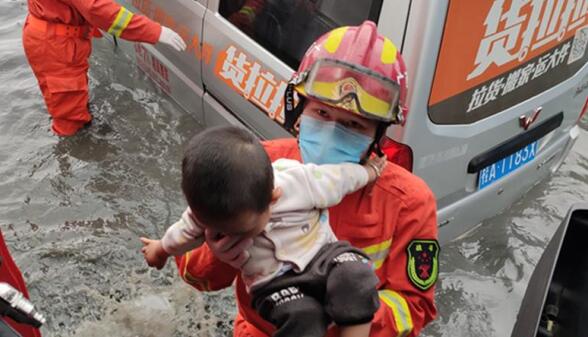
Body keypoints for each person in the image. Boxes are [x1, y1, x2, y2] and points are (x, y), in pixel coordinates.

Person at [175, 20, 439, 337]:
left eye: (354, 126)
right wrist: (219, 255)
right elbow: (195, 275)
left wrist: (346, 313)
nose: (332, 131)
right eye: (322, 114)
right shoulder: (258, 167)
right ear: (300, 111)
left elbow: (414, 306)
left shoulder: (409, 202)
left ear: (378, 136)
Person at [141, 125, 387, 337]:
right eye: (222, 231)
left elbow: (341, 178)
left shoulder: (297, 181)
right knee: (302, 317)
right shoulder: (206, 210)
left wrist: (370, 171)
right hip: (273, 282)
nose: (236, 236)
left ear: (273, 198)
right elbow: (181, 235)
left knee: (355, 273)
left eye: (244, 230)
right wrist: (160, 250)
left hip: (322, 255)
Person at [22, 0, 187, 137]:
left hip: (56, 39)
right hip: (55, 46)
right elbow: (99, 11)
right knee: (70, 123)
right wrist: (155, 31)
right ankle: (71, 160)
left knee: (72, 104)